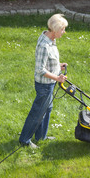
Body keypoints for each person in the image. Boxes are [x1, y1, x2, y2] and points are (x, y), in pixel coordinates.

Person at [19, 14, 68, 149]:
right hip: (44, 85)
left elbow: (49, 61)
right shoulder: (44, 45)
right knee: (38, 112)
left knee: (47, 108)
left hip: (49, 84)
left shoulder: (51, 40)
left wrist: (59, 66)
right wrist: (57, 78)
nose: (64, 32)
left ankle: (41, 136)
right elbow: (40, 69)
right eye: (62, 29)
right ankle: (24, 140)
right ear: (55, 30)